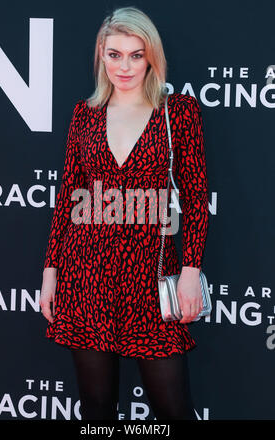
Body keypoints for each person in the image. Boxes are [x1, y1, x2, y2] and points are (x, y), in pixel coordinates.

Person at [39, 6, 209, 421]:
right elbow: (68, 199)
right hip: (86, 275)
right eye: (114, 54)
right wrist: (50, 271)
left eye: (136, 54)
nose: (125, 65)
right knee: (97, 410)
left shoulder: (178, 112)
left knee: (174, 410)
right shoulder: (85, 115)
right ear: (101, 54)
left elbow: (196, 198)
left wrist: (189, 272)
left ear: (151, 56)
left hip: (150, 280)